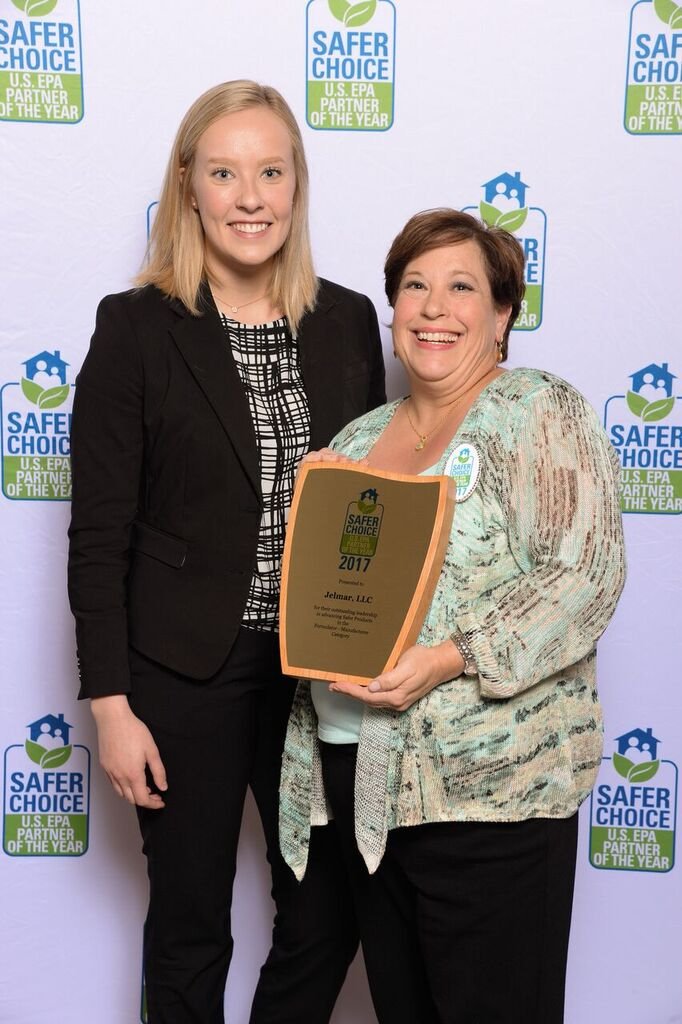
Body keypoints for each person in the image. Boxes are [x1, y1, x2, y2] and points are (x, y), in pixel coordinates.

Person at [67, 80, 385, 1024]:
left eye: (271, 173)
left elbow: (372, 505)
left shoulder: (347, 320)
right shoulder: (135, 328)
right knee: (190, 925)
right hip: (181, 674)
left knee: (326, 913)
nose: (251, 198)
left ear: (297, 186)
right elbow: (98, 536)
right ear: (189, 188)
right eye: (224, 173)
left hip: (317, 673)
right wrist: (111, 707)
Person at [280, 209, 626, 1024]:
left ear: (502, 315)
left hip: (491, 797)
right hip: (365, 789)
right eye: (415, 286)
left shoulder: (538, 410)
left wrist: (450, 656)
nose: (434, 308)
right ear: (394, 309)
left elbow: (584, 575)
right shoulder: (357, 438)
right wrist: (311, 514)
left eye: (461, 287)